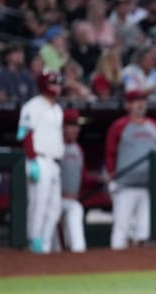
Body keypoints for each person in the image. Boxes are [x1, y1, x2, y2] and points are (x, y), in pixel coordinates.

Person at [105, 89, 156, 250]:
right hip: (124, 184)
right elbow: (110, 153)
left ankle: (141, 267)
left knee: (143, 230)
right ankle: (116, 266)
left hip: (147, 185)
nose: (140, 104)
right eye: (136, 100)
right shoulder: (119, 126)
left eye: (143, 100)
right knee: (122, 227)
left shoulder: (153, 125)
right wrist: (111, 175)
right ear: (127, 104)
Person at [17, 71, 64, 253]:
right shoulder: (33, 106)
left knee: (55, 207)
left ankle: (43, 244)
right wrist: (32, 160)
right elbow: (26, 133)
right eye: (53, 83)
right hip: (38, 159)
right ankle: (33, 239)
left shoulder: (57, 109)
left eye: (59, 83)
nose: (57, 87)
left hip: (54, 162)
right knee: (39, 203)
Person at [59, 108, 95, 252]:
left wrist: (100, 177)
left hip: (72, 199)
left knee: (76, 211)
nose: (75, 129)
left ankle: (78, 260)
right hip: (54, 200)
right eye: (71, 125)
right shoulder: (54, 147)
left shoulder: (78, 149)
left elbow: (84, 176)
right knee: (53, 244)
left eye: (76, 125)